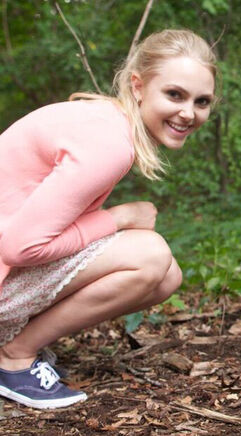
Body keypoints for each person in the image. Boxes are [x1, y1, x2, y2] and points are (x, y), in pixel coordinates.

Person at [0, 29, 217, 409]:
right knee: (150, 255)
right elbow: (21, 246)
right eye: (175, 95)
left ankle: (17, 343)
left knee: (167, 275)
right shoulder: (108, 143)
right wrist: (119, 216)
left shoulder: (106, 123)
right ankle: (14, 358)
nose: (189, 112)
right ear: (138, 86)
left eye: (202, 101)